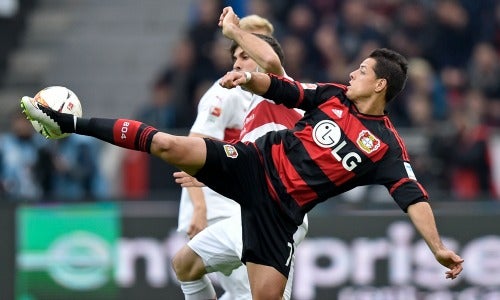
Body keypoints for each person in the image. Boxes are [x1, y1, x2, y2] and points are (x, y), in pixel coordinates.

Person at [21, 45, 464, 300]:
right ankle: (69, 124)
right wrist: (246, 80)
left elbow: (413, 195)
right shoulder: (333, 96)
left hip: (281, 216)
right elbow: (284, 87)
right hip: (252, 165)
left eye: (362, 70)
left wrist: (438, 247)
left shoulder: (386, 147)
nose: (353, 72)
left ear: (380, 85)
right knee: (167, 144)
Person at [173, 9, 307, 300]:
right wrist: (199, 210)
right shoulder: (225, 92)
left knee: (247, 291)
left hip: (250, 202)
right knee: (247, 288)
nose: (238, 61)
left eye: (261, 42)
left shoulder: (282, 96)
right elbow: (196, 144)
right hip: (215, 206)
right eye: (238, 54)